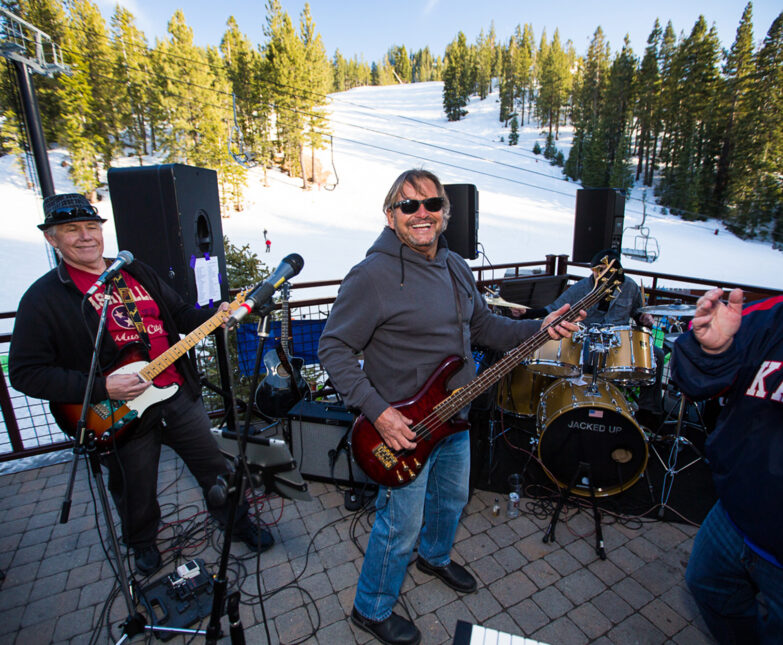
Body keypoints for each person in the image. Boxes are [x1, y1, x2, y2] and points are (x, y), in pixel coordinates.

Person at [317, 169, 583, 645]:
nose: (422, 213)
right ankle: (371, 608)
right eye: (409, 205)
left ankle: (434, 557)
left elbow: (486, 327)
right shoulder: (371, 277)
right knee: (401, 523)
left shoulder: (456, 266)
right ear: (390, 214)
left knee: (452, 500)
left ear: (445, 213)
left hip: (455, 416)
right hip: (401, 429)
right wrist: (379, 412)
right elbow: (333, 349)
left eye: (432, 204)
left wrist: (544, 326)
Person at [9, 193, 273, 576]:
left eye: (91, 227)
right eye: (71, 230)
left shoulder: (134, 273)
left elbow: (179, 313)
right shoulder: (44, 298)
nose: (85, 237)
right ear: (52, 239)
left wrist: (213, 315)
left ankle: (236, 520)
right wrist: (103, 388)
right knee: (135, 488)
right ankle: (142, 543)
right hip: (119, 411)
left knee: (216, 466)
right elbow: (25, 372)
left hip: (177, 394)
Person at [671, 288, 782, 644]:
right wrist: (711, 352)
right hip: (735, 513)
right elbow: (691, 382)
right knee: (706, 585)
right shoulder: (769, 317)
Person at [533, 248, 665, 427]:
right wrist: (526, 313)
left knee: (655, 355)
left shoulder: (630, 286)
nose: (597, 274)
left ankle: (648, 411)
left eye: (602, 269)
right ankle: (576, 407)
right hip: (589, 341)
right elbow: (553, 309)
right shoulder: (583, 287)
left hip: (617, 344)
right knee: (575, 359)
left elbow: (637, 312)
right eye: (595, 270)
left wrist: (644, 318)